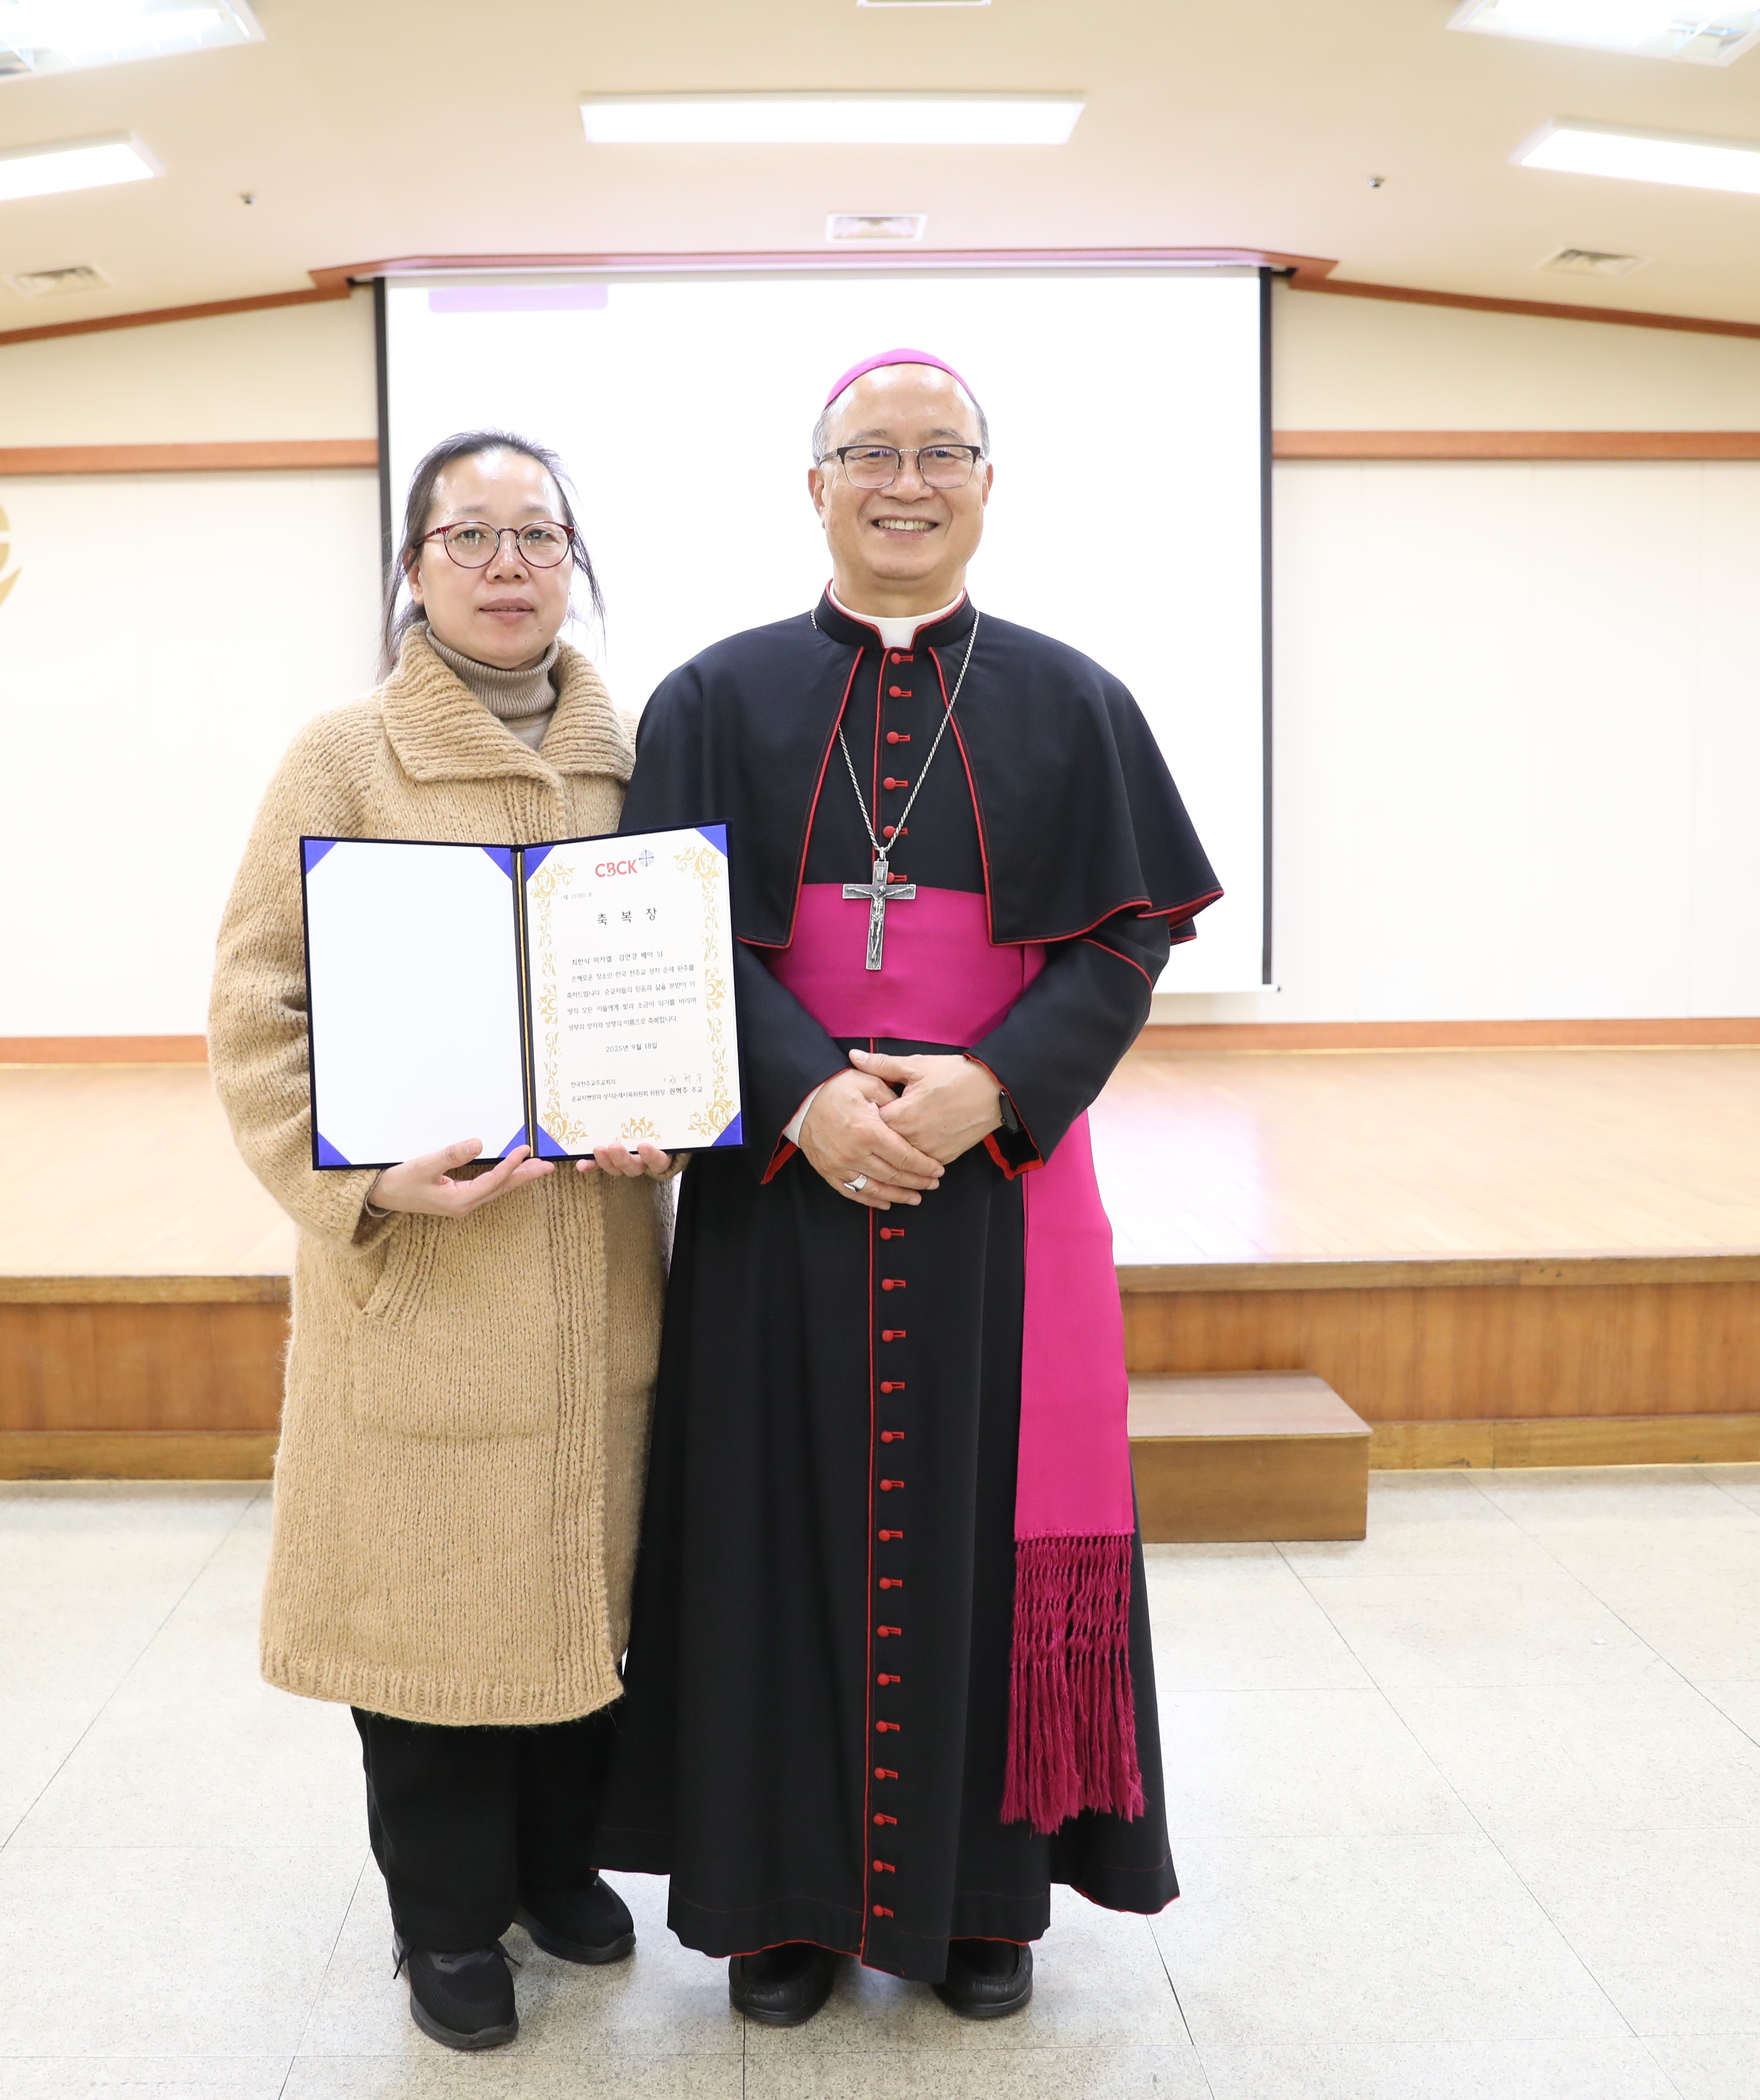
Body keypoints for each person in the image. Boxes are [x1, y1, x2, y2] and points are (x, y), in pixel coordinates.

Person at [597, 351, 1219, 2023]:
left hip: (994, 1190)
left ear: (985, 485)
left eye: (941, 452)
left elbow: (1126, 940)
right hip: (782, 1187)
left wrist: (986, 1089)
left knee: (980, 1534)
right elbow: (663, 937)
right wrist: (806, 1097)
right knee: (767, 1526)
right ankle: (776, 1901)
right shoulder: (713, 698)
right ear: (815, 487)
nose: (905, 481)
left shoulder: (1074, 700)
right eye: (870, 453)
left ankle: (980, 1900)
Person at [208, 430, 676, 2054]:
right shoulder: (345, 757)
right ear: (413, 568)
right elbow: (254, 1007)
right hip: (423, 1271)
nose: (504, 565)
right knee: (428, 1610)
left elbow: (681, 985)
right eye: (467, 535)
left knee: (582, 1585)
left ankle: (556, 1869)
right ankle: (446, 1921)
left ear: (573, 562)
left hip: (598, 1265)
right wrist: (361, 1189)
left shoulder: (636, 758)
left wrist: (669, 1110)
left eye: (535, 534)